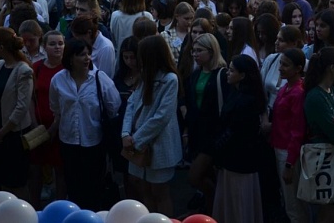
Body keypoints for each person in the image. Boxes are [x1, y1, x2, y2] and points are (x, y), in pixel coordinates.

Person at [49, 38, 120, 210]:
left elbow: (114, 105)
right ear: (70, 58)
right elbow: (56, 108)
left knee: (94, 186)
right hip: (68, 141)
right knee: (73, 186)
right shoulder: (58, 80)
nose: (87, 58)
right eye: (81, 55)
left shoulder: (99, 78)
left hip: (94, 141)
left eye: (88, 54)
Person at [121, 36, 182, 215]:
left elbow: (161, 117)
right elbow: (131, 104)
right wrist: (125, 133)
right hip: (136, 140)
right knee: (143, 188)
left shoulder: (170, 79)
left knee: (160, 191)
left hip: (159, 143)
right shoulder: (144, 76)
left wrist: (136, 139)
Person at [212, 54, 266, 222]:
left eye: (232, 70)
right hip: (234, 160)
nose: (227, 73)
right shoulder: (238, 95)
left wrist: (217, 150)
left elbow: (235, 131)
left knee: (238, 202)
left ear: (242, 75)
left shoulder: (246, 101)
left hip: (239, 161)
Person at [303, 47, 334, 221]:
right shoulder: (316, 97)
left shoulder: (331, 92)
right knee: (330, 207)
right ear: (330, 68)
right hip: (326, 159)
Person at [184, 33, 230, 213]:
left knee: (194, 177)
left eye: (199, 50)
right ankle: (214, 209)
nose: (195, 54)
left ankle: (215, 204)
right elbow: (190, 104)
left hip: (213, 135)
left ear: (212, 51)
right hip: (197, 134)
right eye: (193, 51)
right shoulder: (195, 74)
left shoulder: (222, 75)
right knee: (207, 176)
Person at [0, 27, 34, 198]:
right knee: (3, 180)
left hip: (14, 134)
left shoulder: (24, 71)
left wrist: (2, 132)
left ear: (1, 47)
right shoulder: (0, 64)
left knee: (16, 182)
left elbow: (21, 107)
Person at [270, 48, 309, 223]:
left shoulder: (298, 92)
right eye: (281, 63)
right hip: (280, 147)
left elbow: (297, 130)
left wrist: (289, 164)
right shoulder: (286, 87)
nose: (280, 68)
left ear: (298, 68)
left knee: (294, 205)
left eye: (285, 65)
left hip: (287, 152)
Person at [28, 30, 66, 207]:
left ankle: (59, 207)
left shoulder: (67, 69)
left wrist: (53, 129)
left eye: (60, 43)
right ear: (44, 47)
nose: (57, 47)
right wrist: (35, 125)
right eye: (52, 44)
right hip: (39, 126)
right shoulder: (37, 68)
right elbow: (30, 97)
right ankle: (34, 207)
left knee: (59, 169)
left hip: (60, 127)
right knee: (35, 168)